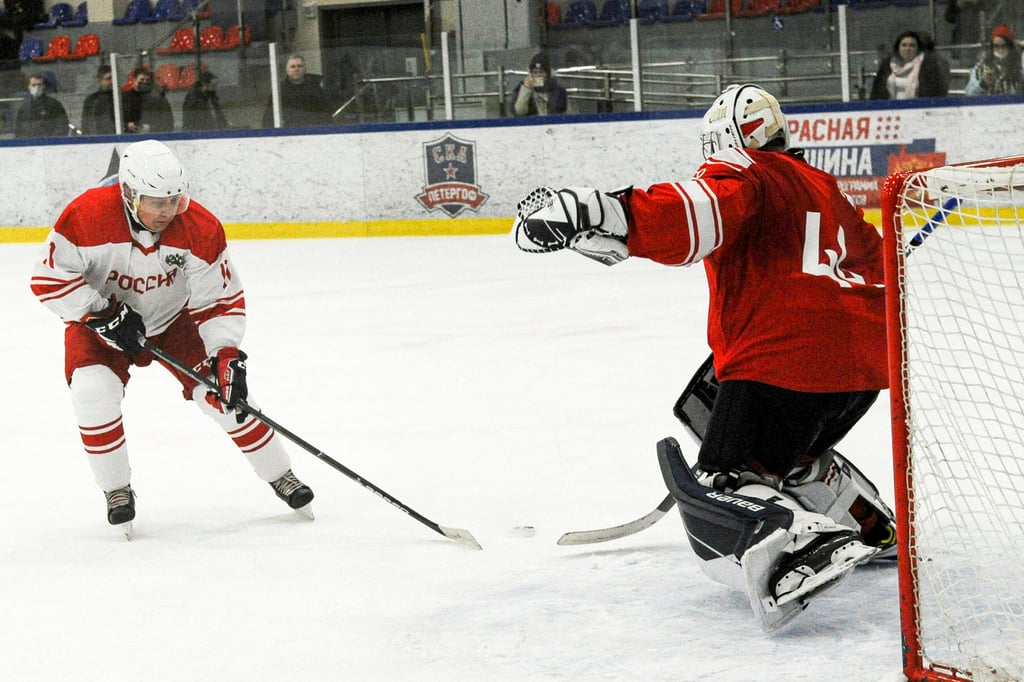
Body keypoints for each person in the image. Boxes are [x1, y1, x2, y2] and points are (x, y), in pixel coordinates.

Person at [512, 84, 892, 630]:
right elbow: (880, 266)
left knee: (725, 484)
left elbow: (700, 213)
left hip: (781, 362)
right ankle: (861, 517)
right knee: (787, 452)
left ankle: (802, 546)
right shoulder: (828, 190)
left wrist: (607, 209)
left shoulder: (747, 170)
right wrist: (611, 232)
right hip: (860, 373)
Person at [28, 139, 315, 535]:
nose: (166, 212)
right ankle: (116, 489)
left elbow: (219, 298)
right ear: (128, 192)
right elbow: (49, 280)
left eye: (174, 201)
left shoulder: (199, 226)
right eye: (155, 202)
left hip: (175, 320)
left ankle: (281, 474)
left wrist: (225, 351)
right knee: (92, 393)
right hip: (101, 324)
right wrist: (101, 312)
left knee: (226, 394)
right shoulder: (86, 215)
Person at [870, 30, 948, 100]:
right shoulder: (887, 65)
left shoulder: (927, 66)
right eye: (904, 45)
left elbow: (936, 91)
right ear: (898, 47)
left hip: (918, 110)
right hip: (890, 110)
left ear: (918, 48)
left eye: (912, 45)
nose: (907, 48)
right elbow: (877, 91)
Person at [261, 54, 331, 128]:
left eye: (300, 66)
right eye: (293, 66)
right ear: (287, 70)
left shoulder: (316, 90)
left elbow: (326, 116)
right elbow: (268, 119)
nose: (296, 69)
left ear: (305, 69)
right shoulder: (279, 91)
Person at [965, 24, 1024, 96]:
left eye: (1004, 46)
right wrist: (983, 84)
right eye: (996, 46)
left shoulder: (1020, 64)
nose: (1000, 50)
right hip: (988, 105)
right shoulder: (981, 66)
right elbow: (969, 93)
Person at [14, 71, 69, 138]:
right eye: (34, 85)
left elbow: (62, 126)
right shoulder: (24, 108)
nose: (36, 87)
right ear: (29, 86)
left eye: (39, 84)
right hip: (29, 145)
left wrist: (51, 141)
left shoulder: (54, 104)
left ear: (44, 86)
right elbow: (18, 130)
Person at [122, 67, 175, 133]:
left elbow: (167, 121)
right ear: (134, 80)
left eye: (147, 80)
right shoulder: (125, 97)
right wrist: (127, 125)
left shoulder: (156, 98)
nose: (144, 82)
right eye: (142, 79)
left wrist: (152, 128)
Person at [79, 64, 115, 136]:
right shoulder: (91, 100)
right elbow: (86, 124)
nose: (112, 81)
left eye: (113, 78)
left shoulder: (121, 97)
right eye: (108, 78)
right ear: (100, 80)